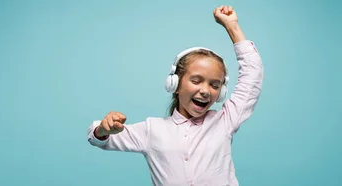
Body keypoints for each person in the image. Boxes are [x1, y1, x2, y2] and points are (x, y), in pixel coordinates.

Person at [86, 5, 263, 186]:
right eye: (196, 81)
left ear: (221, 92)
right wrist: (104, 130)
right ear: (175, 84)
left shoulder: (225, 121)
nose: (205, 90)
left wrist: (232, 26)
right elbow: (97, 138)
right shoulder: (152, 130)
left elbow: (252, 77)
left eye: (214, 85)